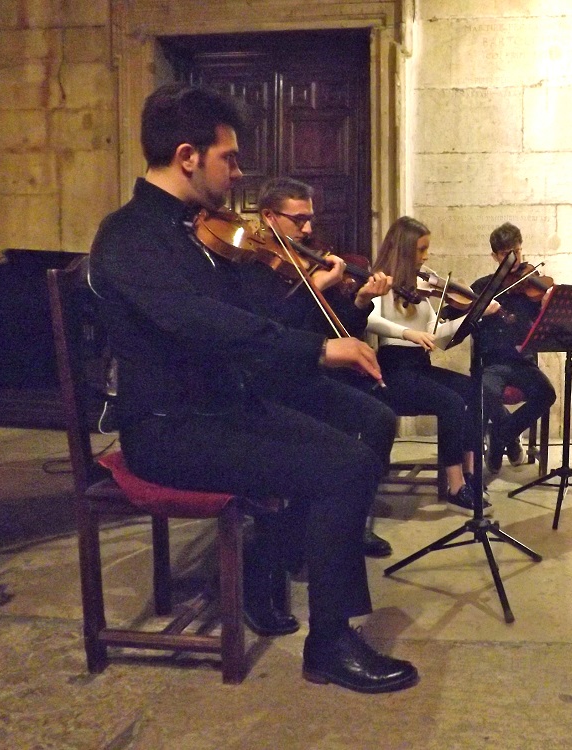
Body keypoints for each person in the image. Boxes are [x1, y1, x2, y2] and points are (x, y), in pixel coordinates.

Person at [88, 83, 417, 693]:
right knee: (342, 466)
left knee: (355, 443)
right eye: (230, 158)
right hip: (169, 430)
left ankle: (288, 583)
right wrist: (319, 348)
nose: (238, 173)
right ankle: (329, 644)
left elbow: (252, 311)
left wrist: (313, 288)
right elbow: (203, 324)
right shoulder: (130, 237)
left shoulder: (195, 234)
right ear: (188, 156)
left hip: (221, 410)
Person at [248, 176, 396, 558]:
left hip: (307, 377)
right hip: (268, 383)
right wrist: (314, 286)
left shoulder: (300, 263)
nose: (308, 228)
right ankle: (291, 536)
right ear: (269, 216)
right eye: (298, 219)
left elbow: (338, 327)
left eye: (310, 218)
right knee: (324, 444)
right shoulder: (251, 265)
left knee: (380, 418)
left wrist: (361, 299)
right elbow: (271, 329)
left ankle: (352, 521)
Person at [365, 216, 499, 515]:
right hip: (394, 370)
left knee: (477, 391)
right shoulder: (381, 281)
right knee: (450, 402)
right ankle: (454, 485)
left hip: (420, 366)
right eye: (421, 249)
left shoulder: (423, 288)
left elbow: (435, 336)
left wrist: (473, 316)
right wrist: (406, 332)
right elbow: (371, 319)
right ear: (403, 249)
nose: (426, 257)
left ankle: (470, 470)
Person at [471, 222, 556, 477]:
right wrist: (480, 311)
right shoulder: (481, 288)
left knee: (546, 394)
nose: (515, 260)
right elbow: (465, 323)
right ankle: (508, 434)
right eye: (507, 255)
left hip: (522, 361)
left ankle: (500, 436)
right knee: (485, 392)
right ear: (495, 256)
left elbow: (548, 322)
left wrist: (547, 304)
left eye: (518, 251)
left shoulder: (531, 286)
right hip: (492, 362)